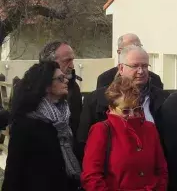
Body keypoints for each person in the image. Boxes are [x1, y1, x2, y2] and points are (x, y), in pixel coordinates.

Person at [2, 60, 82, 191]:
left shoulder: (65, 117)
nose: (66, 80)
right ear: (46, 85)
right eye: (60, 79)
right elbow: (14, 169)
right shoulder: (26, 123)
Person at [77, 45, 169, 158]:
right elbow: (83, 144)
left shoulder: (164, 99)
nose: (141, 71)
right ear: (121, 68)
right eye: (135, 66)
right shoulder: (96, 100)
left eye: (145, 66)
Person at [81, 76, 168, 191]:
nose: (132, 115)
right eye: (126, 110)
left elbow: (161, 170)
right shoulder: (101, 130)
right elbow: (91, 176)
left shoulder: (149, 128)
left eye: (137, 109)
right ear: (111, 108)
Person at [39, 41, 82, 137]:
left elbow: (76, 126)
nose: (72, 66)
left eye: (72, 60)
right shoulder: (28, 89)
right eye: (67, 60)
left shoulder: (74, 88)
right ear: (50, 62)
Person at [96, 33, 164, 89]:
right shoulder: (105, 79)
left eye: (138, 46)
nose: (140, 71)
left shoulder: (155, 80)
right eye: (131, 47)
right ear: (119, 52)